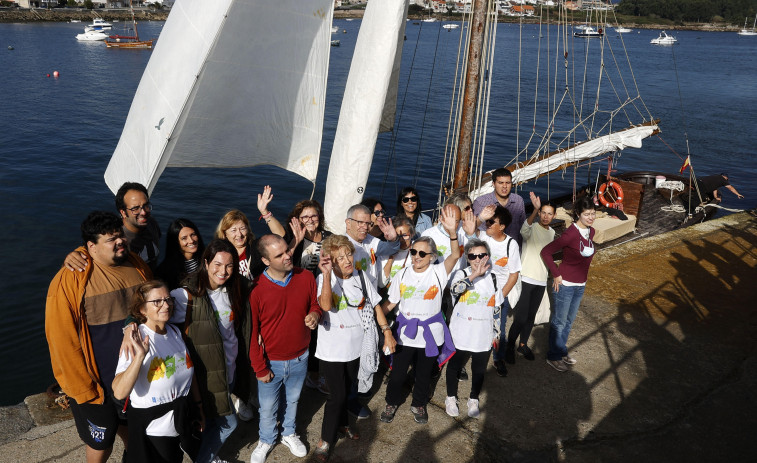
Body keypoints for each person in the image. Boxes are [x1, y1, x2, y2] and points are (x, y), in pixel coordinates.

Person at [45, 211, 151, 463]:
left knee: (134, 433)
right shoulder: (69, 281)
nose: (120, 242)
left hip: (133, 377)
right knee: (100, 442)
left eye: (120, 236)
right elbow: (62, 341)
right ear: (90, 247)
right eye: (111, 239)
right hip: (97, 386)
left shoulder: (136, 264)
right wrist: (82, 389)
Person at [166, 239, 254, 462]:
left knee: (213, 423)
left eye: (229, 265)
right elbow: (152, 312)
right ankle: (205, 458)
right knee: (228, 423)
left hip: (230, 370)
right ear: (205, 263)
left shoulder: (235, 289)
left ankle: (207, 455)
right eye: (217, 264)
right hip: (205, 377)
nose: (223, 271)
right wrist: (130, 326)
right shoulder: (185, 296)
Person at [312, 235, 396, 461]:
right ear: (331, 261)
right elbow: (326, 305)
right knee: (336, 396)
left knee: (349, 389)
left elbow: (375, 305)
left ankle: (342, 425)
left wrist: (387, 332)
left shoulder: (361, 276)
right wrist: (328, 274)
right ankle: (325, 440)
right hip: (332, 349)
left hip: (356, 346)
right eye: (340, 257)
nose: (347, 260)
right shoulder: (323, 278)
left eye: (348, 254)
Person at [379, 206, 460, 425]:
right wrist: (375, 318)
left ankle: (419, 403)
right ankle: (391, 401)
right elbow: (391, 302)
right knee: (397, 374)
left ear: (433, 257)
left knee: (424, 374)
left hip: (430, 333)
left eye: (422, 253)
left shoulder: (438, 272)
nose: (416, 256)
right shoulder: (403, 273)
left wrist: (453, 233)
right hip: (405, 333)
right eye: (414, 252)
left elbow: (455, 254)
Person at [248, 235, 322, 463]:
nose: (288, 255)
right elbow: (251, 334)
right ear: (266, 260)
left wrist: (315, 314)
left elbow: (314, 303)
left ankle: (288, 432)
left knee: (293, 400)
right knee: (268, 407)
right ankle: (267, 439)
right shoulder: (256, 290)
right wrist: (260, 367)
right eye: (279, 255)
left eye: (286, 250)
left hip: (301, 357)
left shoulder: (306, 276)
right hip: (272, 361)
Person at [113, 280, 202, 463]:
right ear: (142, 309)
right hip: (153, 432)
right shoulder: (135, 339)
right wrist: (139, 357)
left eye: (168, 299)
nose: (166, 305)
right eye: (157, 302)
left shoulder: (174, 332)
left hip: (180, 422)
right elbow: (119, 391)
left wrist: (199, 408)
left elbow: (188, 373)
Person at [445, 238, 502, 419]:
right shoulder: (461, 274)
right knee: (454, 366)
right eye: (472, 256)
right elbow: (455, 290)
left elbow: (496, 308)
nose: (477, 259)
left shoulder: (493, 278)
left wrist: (497, 333)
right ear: (467, 258)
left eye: (482, 255)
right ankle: (451, 397)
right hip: (460, 332)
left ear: (488, 256)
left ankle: (473, 398)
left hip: (482, 333)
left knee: (478, 369)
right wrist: (474, 275)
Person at [541, 196, 596, 372]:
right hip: (565, 285)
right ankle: (553, 356)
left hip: (581, 284)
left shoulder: (591, 232)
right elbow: (546, 252)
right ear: (578, 214)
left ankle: (561, 350)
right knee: (559, 322)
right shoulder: (570, 234)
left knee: (569, 321)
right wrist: (556, 274)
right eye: (587, 214)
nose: (590, 217)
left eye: (593, 214)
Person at [283, 199, 332, 395]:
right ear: (298, 220)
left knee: (322, 335)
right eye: (305, 217)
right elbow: (283, 262)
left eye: (314, 215)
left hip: (324, 292)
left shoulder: (330, 238)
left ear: (320, 217)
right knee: (302, 334)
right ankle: (304, 373)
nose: (310, 220)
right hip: (299, 295)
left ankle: (316, 374)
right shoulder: (295, 238)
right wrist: (295, 239)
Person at [63, 182, 161, 273]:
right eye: (135, 209)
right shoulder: (116, 238)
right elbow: (91, 252)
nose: (143, 212)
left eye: (146, 206)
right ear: (123, 212)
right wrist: (74, 256)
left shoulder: (151, 223)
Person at [505, 193, 555, 364]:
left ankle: (523, 344)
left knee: (531, 317)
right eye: (543, 213)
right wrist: (534, 210)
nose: (546, 216)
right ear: (540, 214)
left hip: (541, 280)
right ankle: (509, 346)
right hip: (526, 278)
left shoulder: (553, 233)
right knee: (520, 317)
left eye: (550, 213)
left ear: (554, 216)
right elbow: (523, 229)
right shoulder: (532, 228)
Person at [476, 205, 521, 377]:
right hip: (480, 292)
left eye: (491, 222)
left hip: (500, 295)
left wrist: (501, 297)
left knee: (499, 329)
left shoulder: (511, 245)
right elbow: (470, 229)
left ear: (502, 227)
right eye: (486, 222)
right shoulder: (483, 238)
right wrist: (481, 217)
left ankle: (498, 358)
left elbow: (513, 275)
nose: (487, 224)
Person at [215, 186, 287, 281]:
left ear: (248, 229)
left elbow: (281, 237)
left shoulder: (256, 248)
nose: (239, 234)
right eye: (233, 230)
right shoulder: (219, 254)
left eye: (242, 228)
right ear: (225, 233)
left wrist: (264, 212)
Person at [344, 204, 401, 285]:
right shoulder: (341, 246)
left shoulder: (370, 240)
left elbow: (391, 249)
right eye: (360, 222)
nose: (365, 227)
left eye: (368, 223)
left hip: (373, 295)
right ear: (348, 223)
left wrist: (393, 239)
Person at [472, 168, 526, 247]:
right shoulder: (480, 202)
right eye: (500, 183)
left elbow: (523, 227)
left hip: (512, 248)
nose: (504, 186)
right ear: (493, 184)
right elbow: (472, 228)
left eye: (508, 183)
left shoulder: (518, 200)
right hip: (488, 250)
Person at [156, 218, 206, 289]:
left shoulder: (207, 260)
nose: (191, 240)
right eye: (184, 238)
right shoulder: (165, 271)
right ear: (176, 242)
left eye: (193, 234)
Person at [380, 217, 415, 289]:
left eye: (405, 235)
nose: (401, 240)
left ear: (412, 234)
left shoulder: (419, 250)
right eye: (398, 236)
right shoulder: (385, 252)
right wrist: (390, 259)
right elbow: (381, 284)